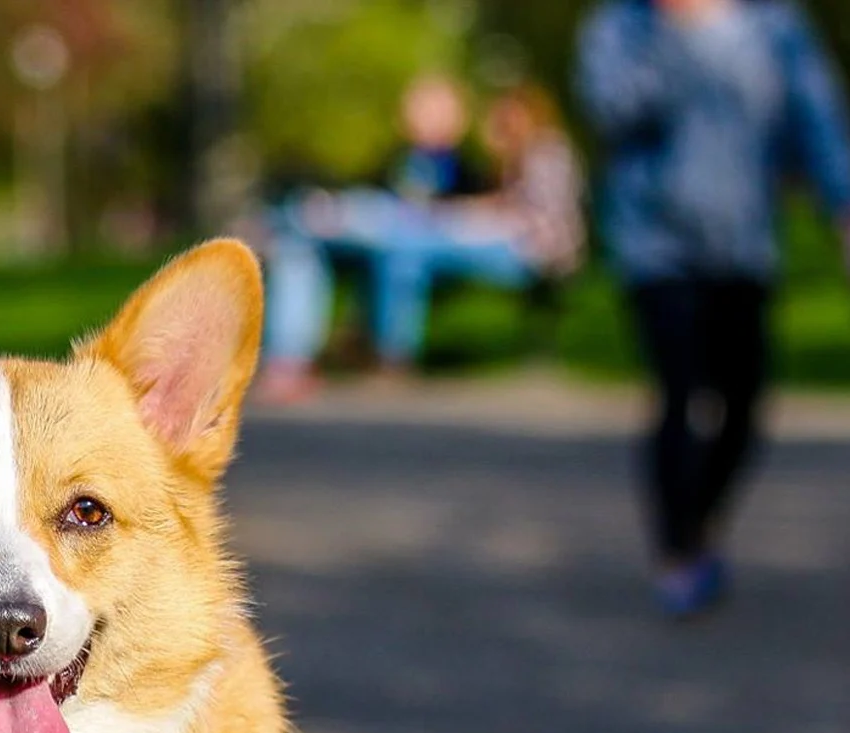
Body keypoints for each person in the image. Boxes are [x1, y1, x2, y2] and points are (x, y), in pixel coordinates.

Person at [577, 0, 850, 617]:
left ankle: (698, 522)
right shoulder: (624, 26)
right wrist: (678, 36)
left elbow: (813, 116)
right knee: (679, 390)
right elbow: (612, 108)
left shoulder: (774, 25)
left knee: (745, 402)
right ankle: (677, 554)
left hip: (745, 241)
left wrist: (843, 201)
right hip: (657, 245)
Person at [258, 79, 585, 398]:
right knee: (308, 244)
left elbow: (530, 220)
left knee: (401, 246)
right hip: (416, 236)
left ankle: (382, 354)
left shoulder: (537, 154)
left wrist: (466, 213)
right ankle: (298, 359)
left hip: (530, 251)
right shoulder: (402, 157)